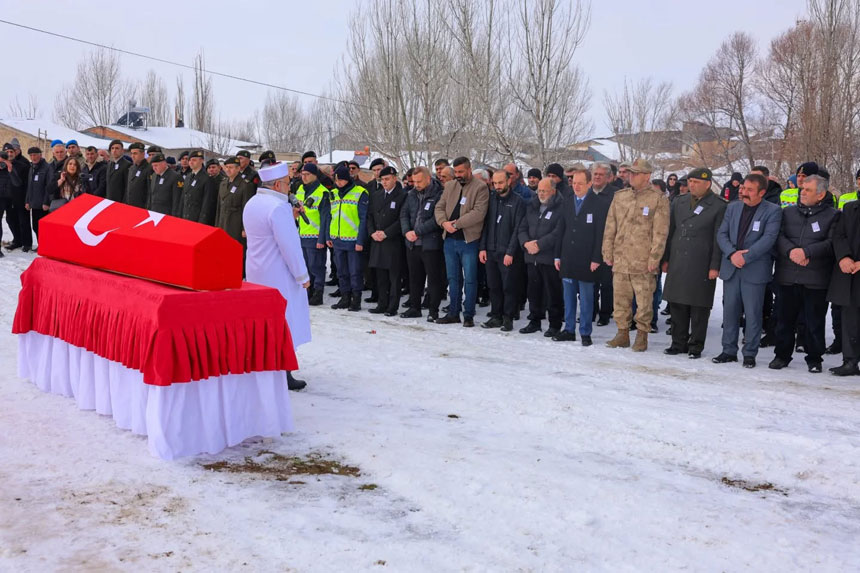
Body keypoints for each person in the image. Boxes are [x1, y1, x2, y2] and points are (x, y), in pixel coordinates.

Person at [243, 160, 311, 391]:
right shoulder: (277, 207)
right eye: (286, 184)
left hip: (256, 270)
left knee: (262, 321)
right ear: (277, 186)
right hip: (279, 273)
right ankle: (284, 370)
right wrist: (302, 275)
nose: (288, 188)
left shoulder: (253, 202)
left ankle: (261, 364)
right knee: (284, 322)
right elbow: (289, 246)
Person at [768, 175, 838, 373]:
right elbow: (779, 236)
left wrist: (806, 252)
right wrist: (792, 251)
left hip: (815, 278)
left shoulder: (832, 215)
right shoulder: (788, 213)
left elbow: (831, 243)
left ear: (820, 194)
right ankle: (782, 355)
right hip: (787, 275)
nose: (802, 192)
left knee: (814, 322)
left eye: (808, 189)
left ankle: (814, 358)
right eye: (802, 189)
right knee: (784, 320)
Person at [713, 174, 783, 368]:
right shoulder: (732, 207)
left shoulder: (773, 211)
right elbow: (722, 234)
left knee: (753, 313)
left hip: (754, 269)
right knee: (730, 312)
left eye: (750, 190)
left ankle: (750, 353)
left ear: (762, 192)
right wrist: (732, 254)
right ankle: (728, 350)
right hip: (732, 267)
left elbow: (769, 239)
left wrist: (746, 256)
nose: (744, 192)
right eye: (743, 188)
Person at [602, 158, 670, 352]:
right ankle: (622, 333)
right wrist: (607, 251)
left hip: (643, 261)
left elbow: (660, 233)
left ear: (647, 176)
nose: (630, 176)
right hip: (621, 258)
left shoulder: (658, 199)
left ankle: (642, 335)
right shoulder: (620, 196)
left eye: (635, 173)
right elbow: (610, 226)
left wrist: (654, 259)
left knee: (644, 302)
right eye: (629, 172)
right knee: (620, 300)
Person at [661, 168, 728, 359]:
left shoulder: (718, 205)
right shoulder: (679, 201)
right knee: (677, 303)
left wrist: (715, 265)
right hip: (678, 259)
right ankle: (678, 342)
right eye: (690, 181)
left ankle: (695, 345)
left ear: (707, 183)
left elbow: (718, 238)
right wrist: (665, 258)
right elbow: (670, 231)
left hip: (701, 261)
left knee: (699, 306)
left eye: (696, 182)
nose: (691, 185)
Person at [554, 170, 609, 345]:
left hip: (587, 259)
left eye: (580, 183)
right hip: (568, 257)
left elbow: (600, 233)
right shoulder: (568, 201)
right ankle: (569, 329)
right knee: (568, 297)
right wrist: (557, 256)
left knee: (586, 298)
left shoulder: (599, 204)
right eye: (574, 183)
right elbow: (560, 230)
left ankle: (585, 332)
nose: (576, 186)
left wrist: (596, 258)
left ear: (589, 184)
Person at [435, 156, 490, 327]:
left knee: (471, 279)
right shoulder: (450, 185)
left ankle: (468, 315)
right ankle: (453, 312)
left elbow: (478, 213)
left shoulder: (480, 187)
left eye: (460, 171)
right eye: (455, 172)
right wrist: (444, 223)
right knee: (453, 278)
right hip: (449, 239)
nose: (458, 175)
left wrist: (457, 224)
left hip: (469, 240)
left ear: (469, 169)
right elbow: (439, 207)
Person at [479, 170, 526, 331]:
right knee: (494, 286)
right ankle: (496, 315)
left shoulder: (518, 201)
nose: (497, 186)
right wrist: (483, 247)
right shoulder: (491, 199)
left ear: (508, 182)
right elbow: (485, 225)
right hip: (491, 250)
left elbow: (518, 229)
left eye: (500, 183)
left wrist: (510, 252)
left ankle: (508, 317)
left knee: (509, 286)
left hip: (507, 252)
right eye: (495, 183)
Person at [518, 176, 564, 337]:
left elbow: (558, 232)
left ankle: (555, 324)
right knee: (534, 291)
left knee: (552, 292)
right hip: (531, 257)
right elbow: (522, 227)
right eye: (539, 190)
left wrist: (539, 244)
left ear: (553, 191)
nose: (541, 194)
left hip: (549, 257)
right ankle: (535, 321)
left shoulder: (561, 207)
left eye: (545, 191)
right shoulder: (532, 206)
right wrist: (526, 243)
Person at [400, 166, 445, 322]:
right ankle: (415, 307)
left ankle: (433, 310)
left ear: (428, 179)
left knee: (433, 279)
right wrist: (407, 232)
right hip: (412, 243)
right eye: (414, 181)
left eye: (419, 181)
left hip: (430, 243)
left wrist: (418, 231)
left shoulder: (439, 194)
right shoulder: (411, 194)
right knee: (414, 278)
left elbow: (437, 219)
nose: (416, 184)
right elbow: (404, 214)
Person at [326, 164, 370, 311]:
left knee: (355, 272)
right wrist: (329, 235)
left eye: (341, 181)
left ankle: (356, 299)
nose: (338, 184)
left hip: (353, 240)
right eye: (336, 181)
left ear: (347, 179)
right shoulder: (333, 193)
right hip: (337, 239)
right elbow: (330, 216)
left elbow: (364, 219)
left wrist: (360, 240)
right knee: (341, 272)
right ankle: (345, 297)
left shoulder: (360, 192)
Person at [367, 166, 406, 316]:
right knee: (380, 275)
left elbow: (401, 219)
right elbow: (370, 216)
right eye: (382, 179)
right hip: (377, 239)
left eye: (387, 179)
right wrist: (372, 233)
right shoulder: (376, 195)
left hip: (392, 241)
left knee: (394, 277)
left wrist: (386, 233)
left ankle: (392, 306)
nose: (384, 182)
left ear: (394, 178)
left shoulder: (402, 195)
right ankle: (381, 303)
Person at [294, 163, 329, 305]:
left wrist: (322, 239)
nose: (304, 177)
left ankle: (318, 292)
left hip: (315, 236)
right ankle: (309, 291)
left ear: (315, 175)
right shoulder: (300, 189)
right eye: (302, 174)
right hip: (302, 234)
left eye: (307, 174)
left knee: (317, 266)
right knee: (306, 266)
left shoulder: (322, 192)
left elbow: (325, 218)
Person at [215, 156, 255, 246]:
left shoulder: (245, 185)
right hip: (223, 222)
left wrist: (245, 228)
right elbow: (219, 206)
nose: (228, 170)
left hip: (235, 224)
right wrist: (217, 224)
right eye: (227, 167)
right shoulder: (223, 183)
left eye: (231, 167)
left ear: (238, 169)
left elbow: (246, 208)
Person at [2, 140, 32, 252]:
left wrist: (27, 199)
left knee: (24, 221)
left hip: (21, 197)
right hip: (8, 199)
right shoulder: (2, 165)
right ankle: (17, 240)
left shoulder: (22, 166)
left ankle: (27, 243)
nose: (9, 154)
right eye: (7, 152)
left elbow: (24, 184)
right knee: (10, 220)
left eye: (11, 151)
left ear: (15, 153)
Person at [177, 150, 217, 225]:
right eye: (190, 160)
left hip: (197, 219)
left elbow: (207, 203)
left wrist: (202, 221)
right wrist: (180, 216)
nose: (191, 162)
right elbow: (183, 198)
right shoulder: (188, 177)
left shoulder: (207, 178)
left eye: (194, 160)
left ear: (201, 161)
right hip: (186, 217)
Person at [24, 146, 51, 245]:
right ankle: (42, 245)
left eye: (35, 155)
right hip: (34, 203)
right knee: (35, 226)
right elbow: (29, 186)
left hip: (43, 204)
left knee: (42, 227)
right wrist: (27, 201)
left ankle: (45, 246)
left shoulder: (47, 167)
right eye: (31, 155)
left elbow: (48, 186)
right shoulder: (32, 167)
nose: (33, 157)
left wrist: (46, 202)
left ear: (40, 155)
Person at [125, 142, 152, 208]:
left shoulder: (149, 169)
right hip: (130, 205)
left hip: (141, 206)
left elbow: (150, 191)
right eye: (131, 153)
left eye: (135, 153)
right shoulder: (131, 168)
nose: (132, 156)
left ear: (143, 154)